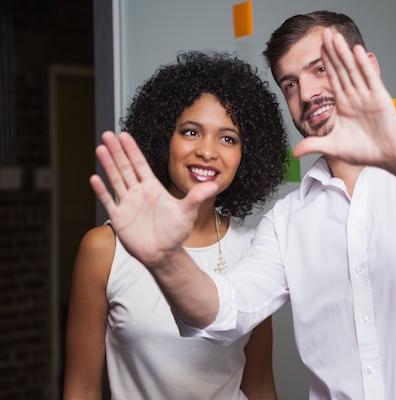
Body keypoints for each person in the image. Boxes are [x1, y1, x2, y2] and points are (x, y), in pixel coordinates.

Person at [90, 11, 396, 400]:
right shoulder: (288, 221)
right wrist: (165, 259)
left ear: (368, 66)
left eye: (320, 68)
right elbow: (221, 317)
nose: (307, 93)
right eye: (290, 83)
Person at [63, 51, 287, 400]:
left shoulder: (256, 249)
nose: (207, 151)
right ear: (164, 138)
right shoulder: (103, 250)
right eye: (191, 132)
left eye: (228, 138)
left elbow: (258, 385)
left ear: (248, 155)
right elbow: (81, 388)